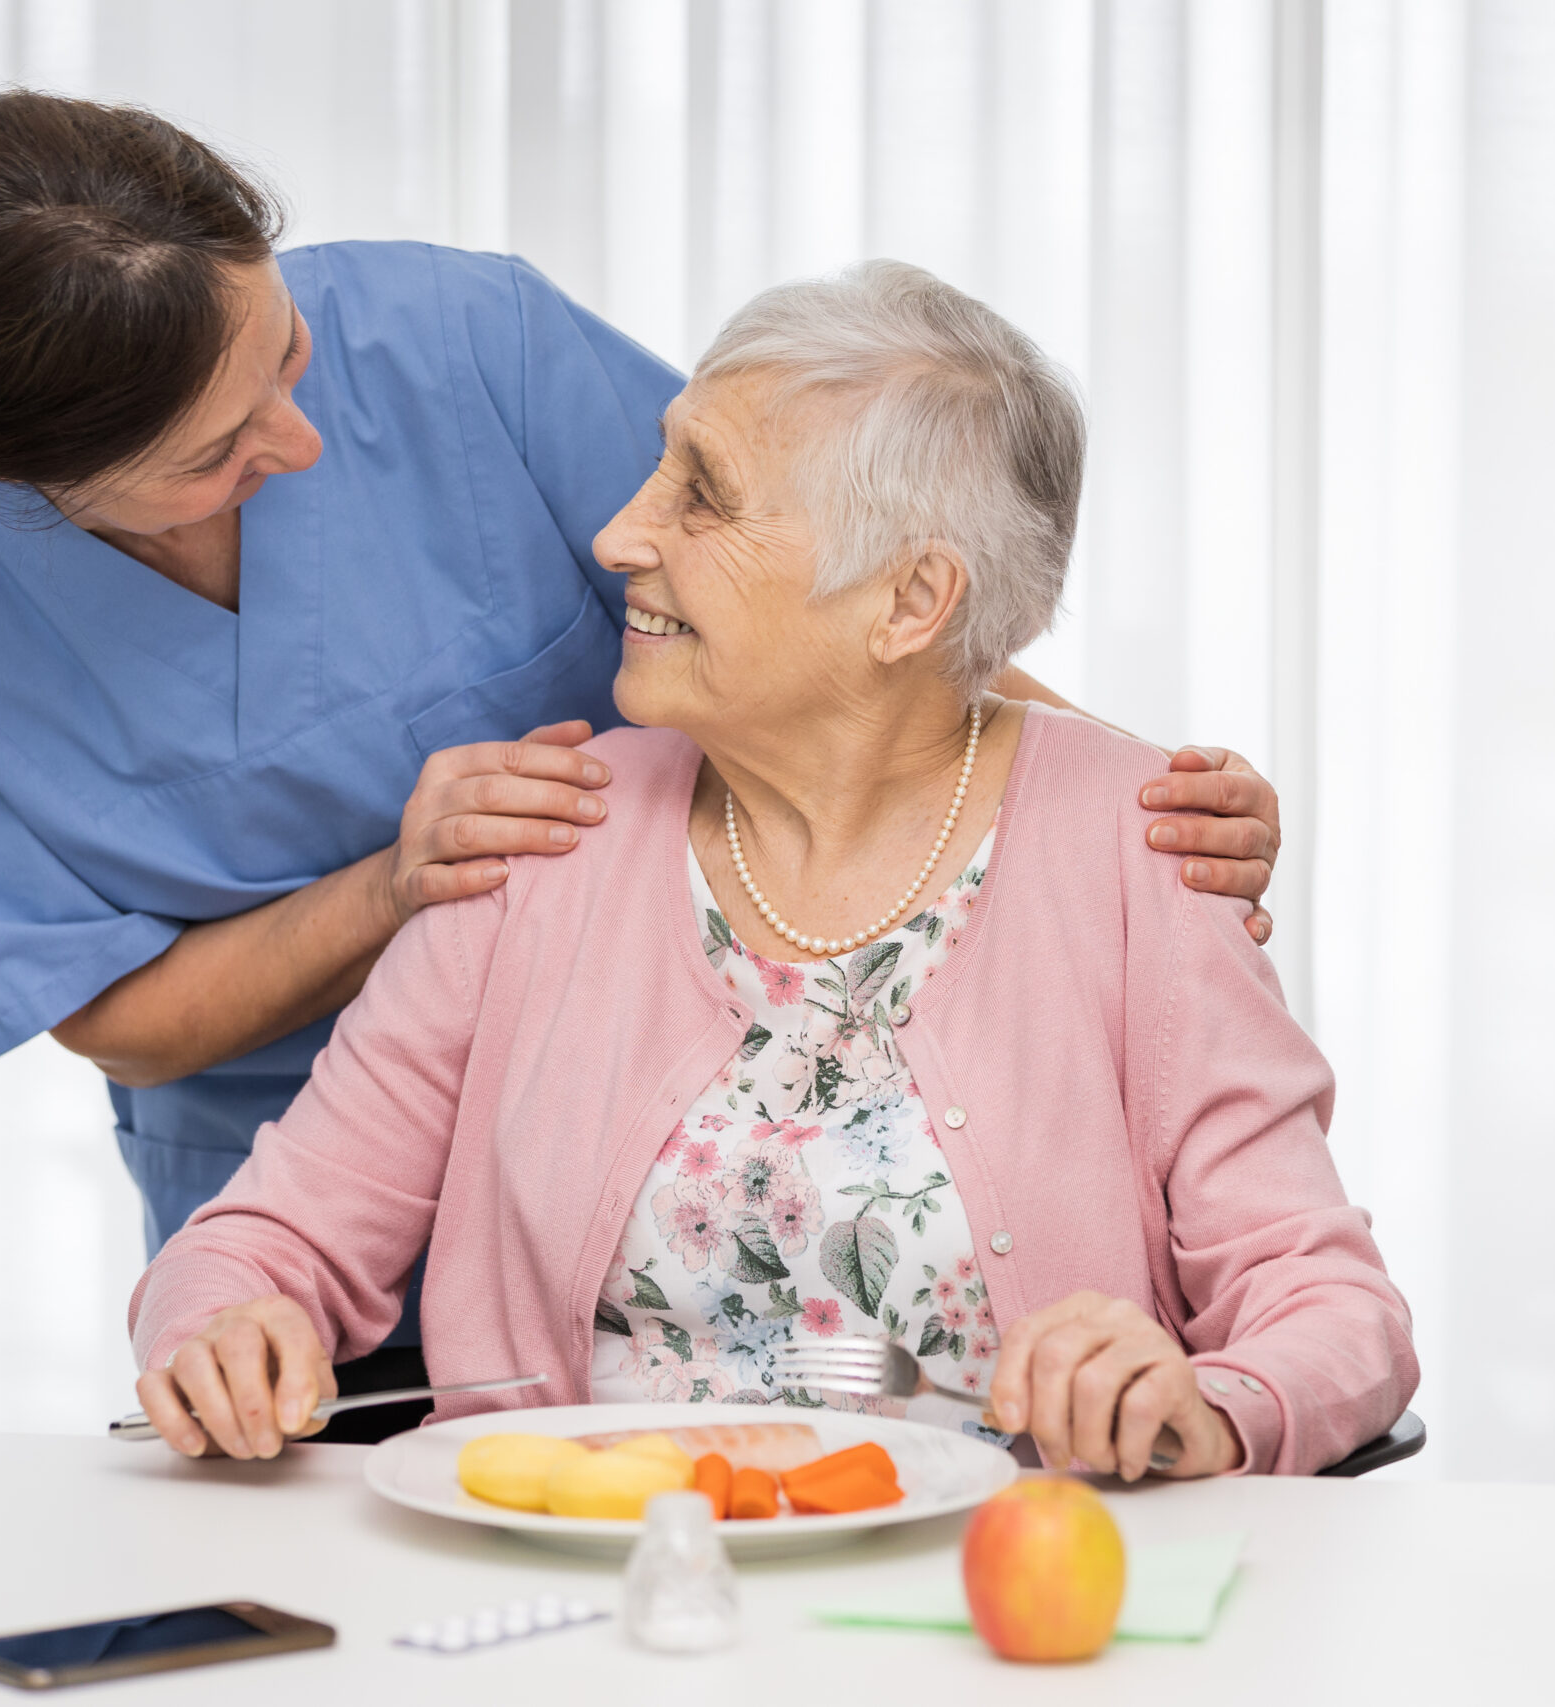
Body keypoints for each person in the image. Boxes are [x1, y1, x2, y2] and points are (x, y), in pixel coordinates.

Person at [0, 85, 1285, 1439]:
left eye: (289, 352)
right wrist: (399, 886)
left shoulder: (458, 343)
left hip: (736, 1186)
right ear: (24, 486)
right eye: (214, 453)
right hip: (318, 1217)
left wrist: (1117, 811)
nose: (299, 443)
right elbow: (121, 1021)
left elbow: (846, 582)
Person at [128, 262, 1416, 1478]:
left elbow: (1327, 1304)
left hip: (990, 1612)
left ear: (910, 604)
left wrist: (1204, 1405)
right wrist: (228, 1326)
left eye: (704, 494)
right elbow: (266, 1238)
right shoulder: (549, 831)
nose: (620, 534)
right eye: (656, 467)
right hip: (588, 1602)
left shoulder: (1138, 849)